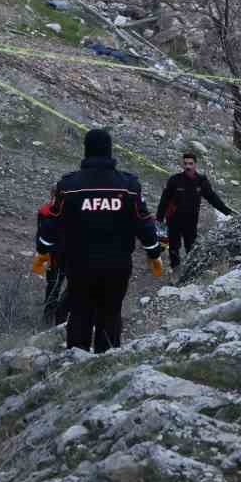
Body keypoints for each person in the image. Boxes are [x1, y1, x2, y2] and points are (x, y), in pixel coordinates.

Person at [33, 128, 163, 353]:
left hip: (79, 264)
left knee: (80, 312)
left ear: (86, 150)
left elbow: (51, 221)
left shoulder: (69, 186)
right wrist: (153, 251)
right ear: (110, 150)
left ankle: (76, 363)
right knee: (111, 312)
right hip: (117, 264)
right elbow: (144, 221)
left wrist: (43, 249)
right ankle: (106, 363)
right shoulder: (128, 185)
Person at [157, 151, 234, 273]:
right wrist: (159, 219)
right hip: (173, 220)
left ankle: (189, 272)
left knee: (191, 247)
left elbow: (212, 197)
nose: (188, 166)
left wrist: (227, 212)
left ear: (195, 165)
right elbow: (164, 200)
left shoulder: (201, 181)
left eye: (191, 164)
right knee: (174, 247)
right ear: (182, 164)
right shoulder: (174, 180)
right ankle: (175, 272)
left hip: (191, 221)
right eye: (185, 163)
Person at [32, 186, 71, 326]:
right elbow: (41, 234)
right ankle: (52, 318)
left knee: (54, 285)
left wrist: (41, 255)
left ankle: (54, 317)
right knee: (55, 285)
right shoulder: (45, 211)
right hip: (59, 256)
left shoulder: (46, 210)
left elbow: (40, 235)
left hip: (60, 255)